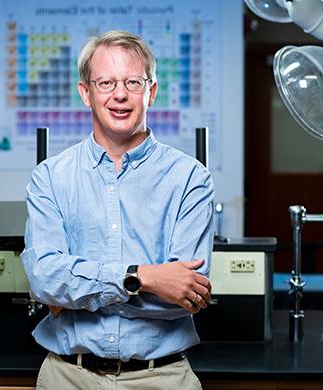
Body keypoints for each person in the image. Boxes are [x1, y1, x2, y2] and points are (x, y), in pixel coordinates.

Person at [22, 30, 215, 390]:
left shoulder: (190, 178)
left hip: (163, 378)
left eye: (132, 82)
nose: (120, 95)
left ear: (151, 91)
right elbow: (45, 280)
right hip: (68, 377)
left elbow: (184, 297)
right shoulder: (51, 177)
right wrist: (146, 277)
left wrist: (77, 294)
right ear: (86, 93)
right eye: (106, 82)